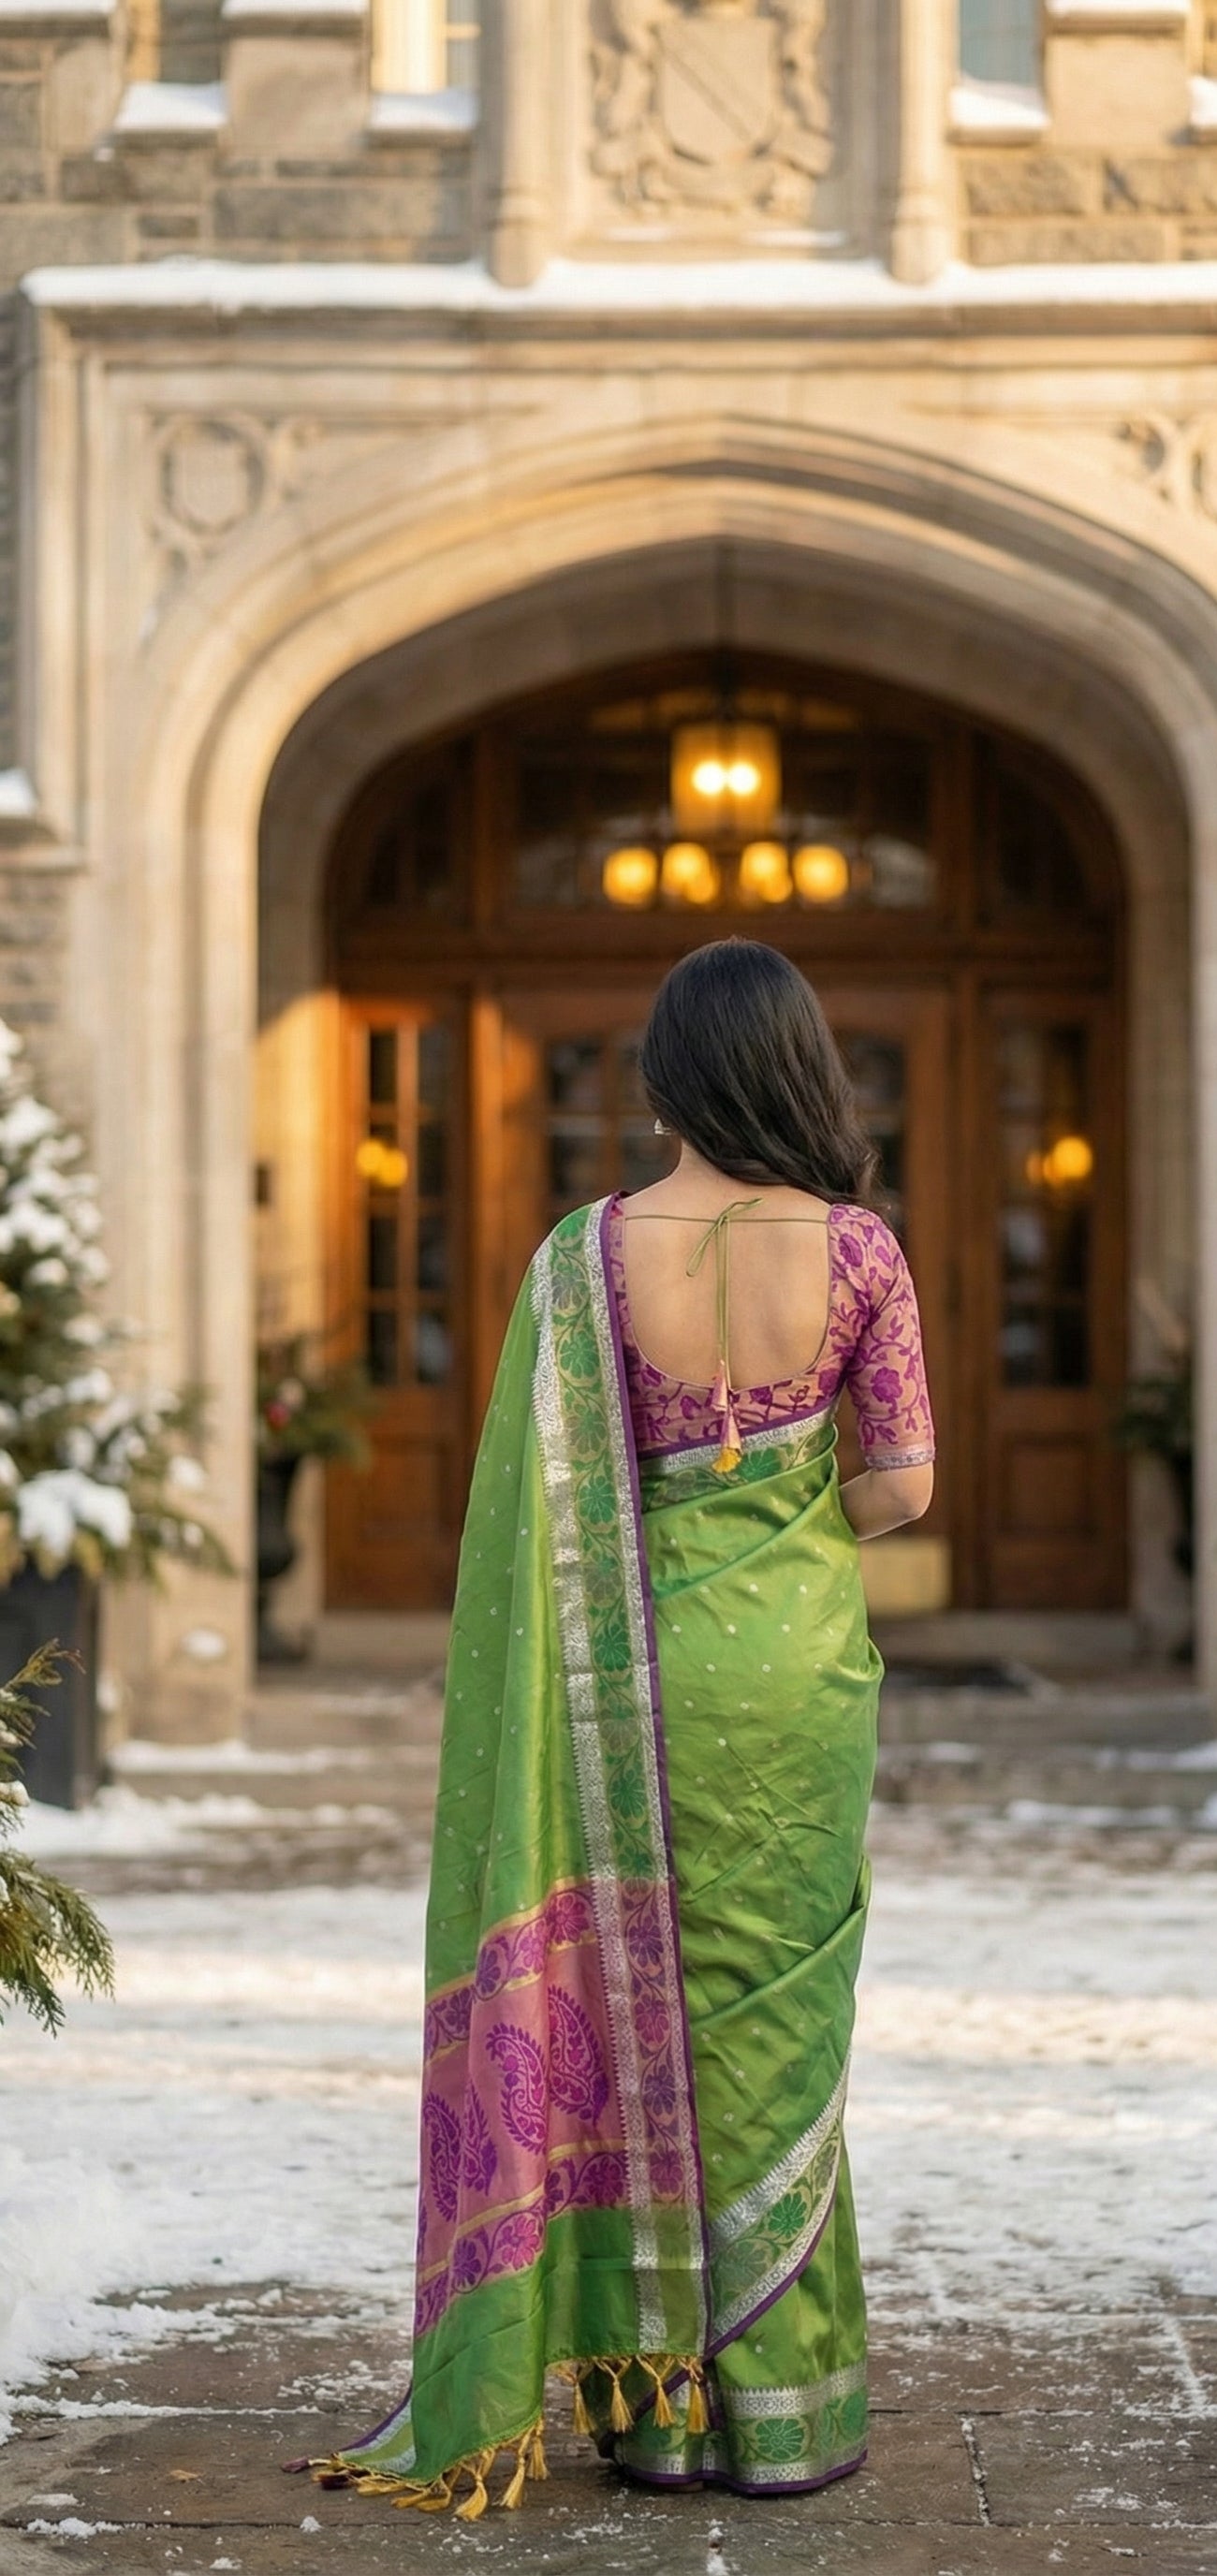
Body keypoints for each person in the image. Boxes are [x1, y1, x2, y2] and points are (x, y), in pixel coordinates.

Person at [310, 938, 934, 2517]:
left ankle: (655, 2419)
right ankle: (781, 2408)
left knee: (628, 1997)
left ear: (664, 1076)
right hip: (790, 1680)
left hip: (622, 1685)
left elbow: (532, 1509)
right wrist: (796, 1493)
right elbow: (902, 1489)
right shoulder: (858, 1254)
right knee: (771, 2018)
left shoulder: (579, 1261)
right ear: (798, 1070)